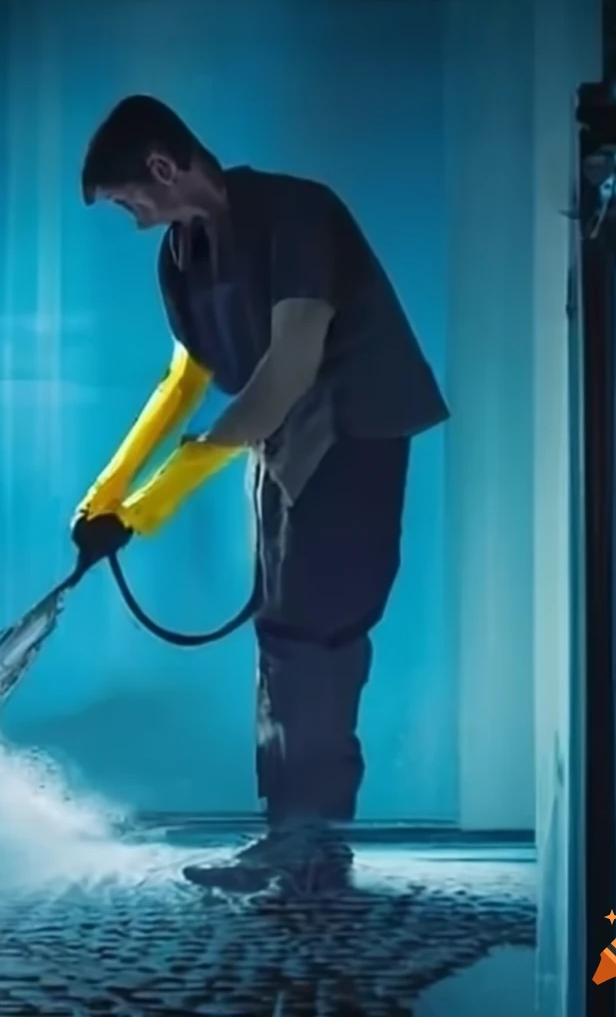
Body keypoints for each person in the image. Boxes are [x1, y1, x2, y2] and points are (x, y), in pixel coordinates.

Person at [71, 95, 449, 893]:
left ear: (163, 167)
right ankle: (293, 838)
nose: (134, 219)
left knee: (317, 636)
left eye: (129, 199)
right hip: (276, 444)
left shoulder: (296, 213)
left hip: (352, 433)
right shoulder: (180, 254)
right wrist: (106, 494)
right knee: (282, 638)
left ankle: (312, 844)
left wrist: (154, 503)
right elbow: (184, 382)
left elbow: (288, 369)